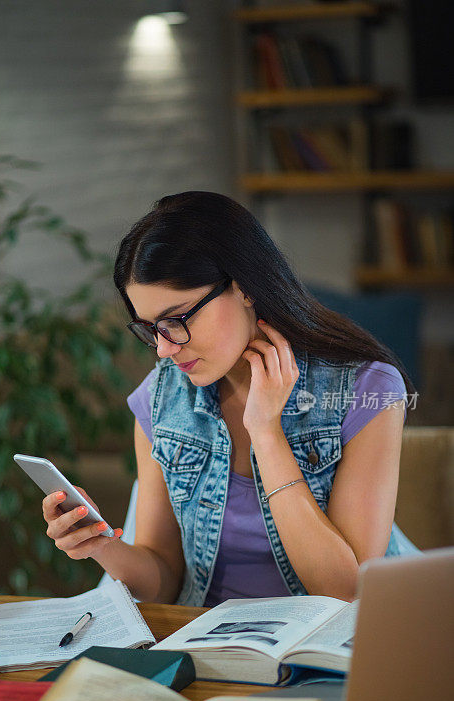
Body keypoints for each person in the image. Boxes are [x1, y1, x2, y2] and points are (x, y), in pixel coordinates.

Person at [42, 191, 419, 606]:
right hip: (206, 642)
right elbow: (163, 582)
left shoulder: (367, 390)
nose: (164, 348)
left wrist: (266, 433)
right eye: (151, 328)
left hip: (325, 647)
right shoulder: (161, 396)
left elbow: (345, 592)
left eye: (176, 319)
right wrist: (98, 544)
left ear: (243, 288)